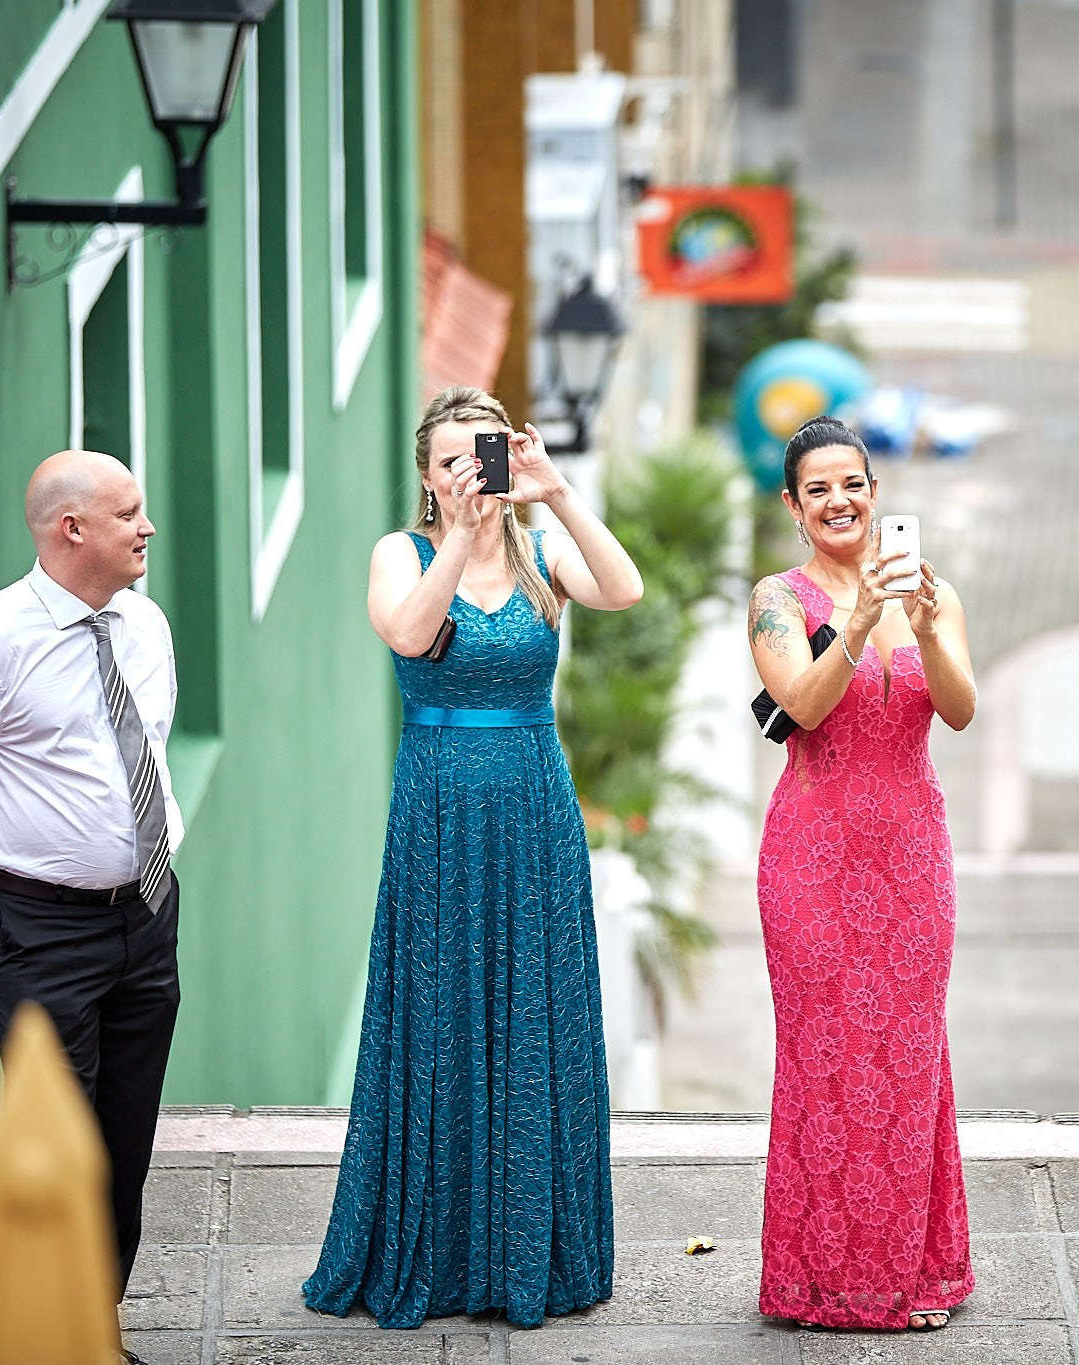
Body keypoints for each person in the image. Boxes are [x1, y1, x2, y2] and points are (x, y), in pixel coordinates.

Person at [304, 386, 644, 1329]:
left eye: (486, 453)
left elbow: (624, 589)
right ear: (425, 474)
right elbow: (410, 632)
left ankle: (535, 1248)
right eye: (454, 459)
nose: (472, 471)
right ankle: (440, 1248)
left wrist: (555, 490)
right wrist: (457, 531)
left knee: (537, 1012)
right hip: (442, 804)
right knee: (442, 1008)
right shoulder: (401, 552)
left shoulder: (543, 552)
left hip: (533, 802)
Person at [0, 450, 182, 1308]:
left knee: (125, 1141)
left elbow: (148, 747)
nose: (147, 526)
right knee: (60, 1148)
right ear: (73, 529)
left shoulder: (145, 624)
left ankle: (94, 1321)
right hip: (40, 931)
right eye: (130, 512)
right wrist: (13, 871)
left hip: (150, 915)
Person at [746, 416, 978, 1331]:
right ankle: (816, 1281)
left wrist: (925, 624)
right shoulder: (777, 598)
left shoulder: (933, 592)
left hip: (914, 859)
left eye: (853, 484)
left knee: (911, 1057)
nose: (839, 501)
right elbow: (799, 704)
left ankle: (914, 1273)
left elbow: (960, 710)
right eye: (819, 489)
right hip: (812, 861)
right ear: (795, 507)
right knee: (822, 1062)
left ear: (875, 491)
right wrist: (860, 618)